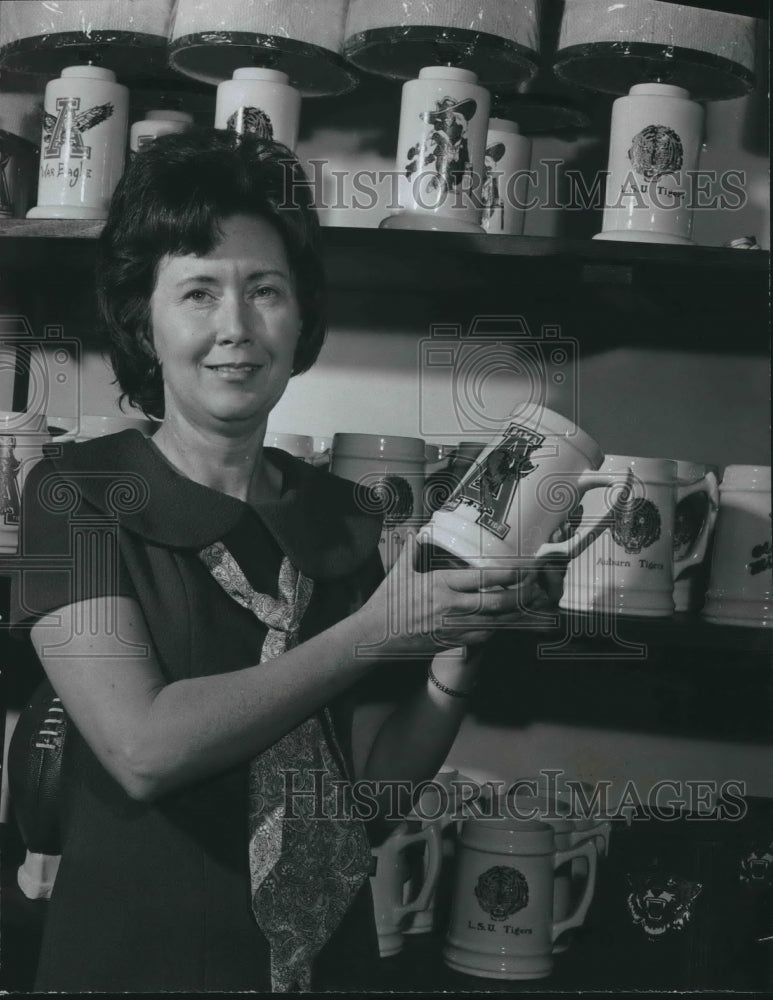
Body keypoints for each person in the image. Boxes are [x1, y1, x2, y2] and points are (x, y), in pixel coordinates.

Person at [10, 128, 542, 993]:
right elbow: (142, 747)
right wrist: (373, 635)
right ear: (143, 320)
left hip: (320, 963)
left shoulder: (345, 516)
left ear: (300, 320)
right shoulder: (67, 495)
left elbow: (364, 801)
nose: (236, 327)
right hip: (131, 961)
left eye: (264, 290)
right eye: (197, 292)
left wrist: (451, 662)